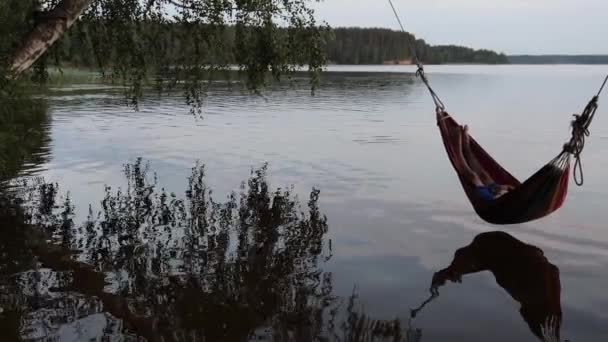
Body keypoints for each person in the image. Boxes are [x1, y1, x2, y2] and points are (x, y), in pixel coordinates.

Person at [453, 125, 513, 201]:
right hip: (497, 192)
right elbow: (510, 187)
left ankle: (457, 151)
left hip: (492, 200)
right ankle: (466, 147)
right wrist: (502, 188)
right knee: (484, 175)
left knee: (473, 176)